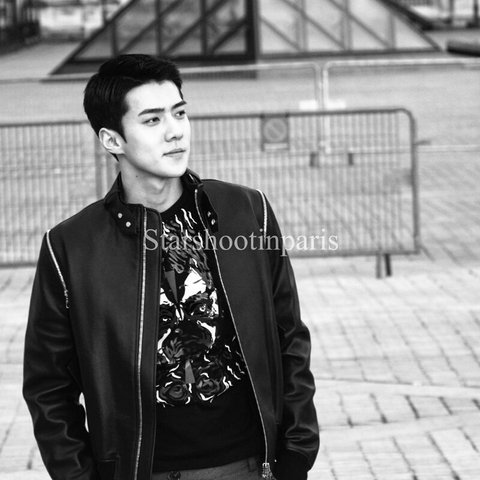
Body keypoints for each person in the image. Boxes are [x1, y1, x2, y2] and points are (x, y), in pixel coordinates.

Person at [23, 54, 319, 480]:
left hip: (251, 465)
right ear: (112, 139)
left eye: (180, 113)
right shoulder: (71, 247)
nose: (175, 130)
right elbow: (48, 386)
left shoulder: (245, 211)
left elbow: (289, 335)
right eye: (152, 120)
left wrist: (297, 451)